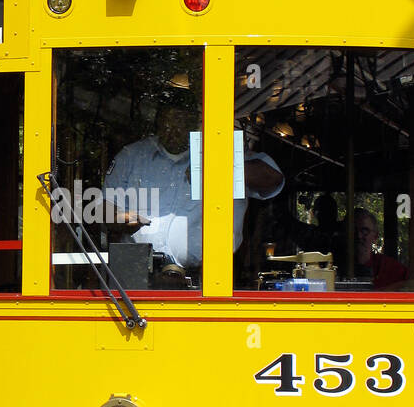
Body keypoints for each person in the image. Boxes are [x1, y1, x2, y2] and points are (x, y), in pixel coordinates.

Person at [104, 79, 284, 279]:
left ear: (194, 122)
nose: (173, 128)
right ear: (158, 120)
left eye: (181, 121)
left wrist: (219, 170)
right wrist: (121, 219)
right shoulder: (133, 157)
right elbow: (106, 208)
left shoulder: (218, 153)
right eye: (168, 120)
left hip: (205, 280)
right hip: (137, 274)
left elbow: (272, 180)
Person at [353, 208, 408, 290]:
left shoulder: (388, 266)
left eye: (364, 231)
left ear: (375, 236)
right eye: (352, 230)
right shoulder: (333, 264)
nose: (358, 236)